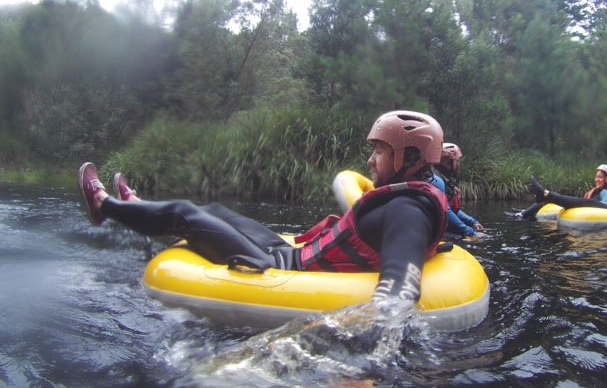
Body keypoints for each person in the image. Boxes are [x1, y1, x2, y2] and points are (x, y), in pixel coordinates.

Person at [78, 110, 449, 302]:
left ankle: (103, 205)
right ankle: (138, 206)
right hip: (291, 255)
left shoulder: (409, 212)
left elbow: (399, 290)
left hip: (279, 269)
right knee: (216, 210)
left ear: (410, 156)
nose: (370, 160)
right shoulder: (408, 197)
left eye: (380, 151)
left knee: (185, 214)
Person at [515, 164, 607, 219]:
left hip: (592, 207)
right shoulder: (595, 191)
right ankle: (524, 213)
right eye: (596, 177)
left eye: (600, 177)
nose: (597, 179)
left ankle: (546, 192)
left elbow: (606, 204)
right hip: (585, 207)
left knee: (563, 198)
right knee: (549, 200)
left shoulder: (605, 192)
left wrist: (589, 205)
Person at [429, 142, 484, 239]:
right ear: (447, 161)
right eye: (457, 161)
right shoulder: (435, 180)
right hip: (428, 229)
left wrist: (472, 222)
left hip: (434, 225)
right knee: (461, 238)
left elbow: (452, 209)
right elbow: (446, 211)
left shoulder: (443, 179)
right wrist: (470, 232)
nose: (458, 164)